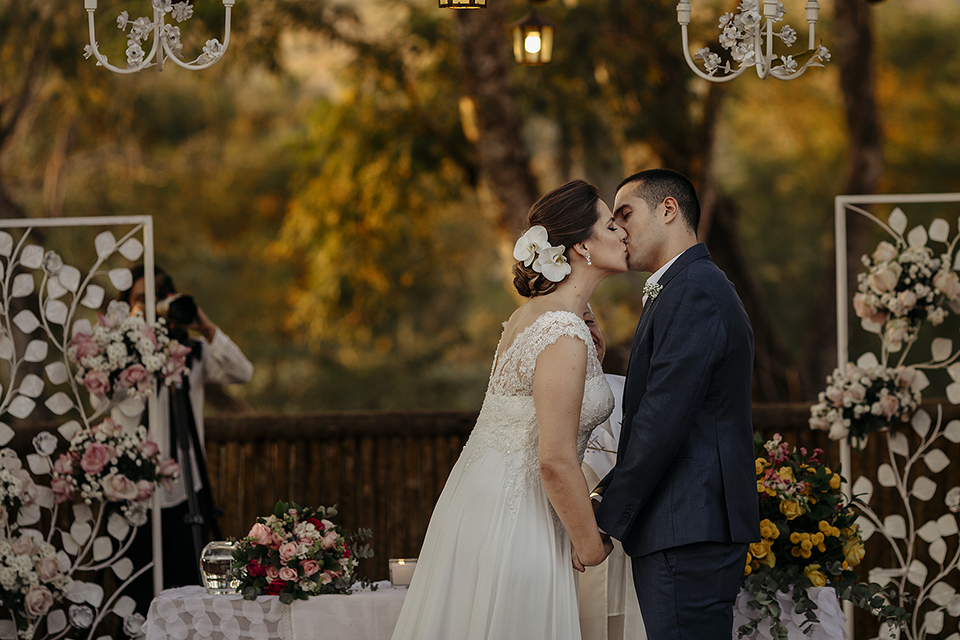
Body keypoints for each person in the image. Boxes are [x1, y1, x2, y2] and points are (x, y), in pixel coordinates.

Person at [391, 180, 628, 640]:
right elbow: (555, 460)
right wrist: (591, 545)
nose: (622, 233)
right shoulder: (562, 329)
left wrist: (594, 360)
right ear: (582, 245)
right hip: (521, 521)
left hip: (485, 504)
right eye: (611, 224)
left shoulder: (539, 316)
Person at [592, 169, 760, 640]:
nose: (617, 228)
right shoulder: (681, 288)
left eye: (626, 213)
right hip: (682, 524)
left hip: (688, 525)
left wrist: (603, 518)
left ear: (668, 209)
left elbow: (661, 420)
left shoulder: (695, 291)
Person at [119, 265, 254, 607]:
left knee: (188, 591)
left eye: (158, 299)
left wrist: (205, 327)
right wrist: (127, 341)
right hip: (129, 488)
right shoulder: (116, 356)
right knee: (132, 594)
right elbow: (98, 397)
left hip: (186, 487)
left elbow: (242, 371)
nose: (151, 307)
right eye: (140, 299)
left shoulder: (192, 352)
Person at [580, 307, 646, 640]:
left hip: (634, 572)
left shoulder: (633, 391)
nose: (587, 332)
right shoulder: (533, 405)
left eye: (590, 322)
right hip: (574, 570)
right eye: (574, 324)